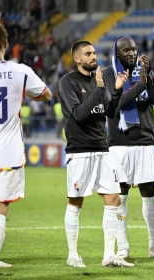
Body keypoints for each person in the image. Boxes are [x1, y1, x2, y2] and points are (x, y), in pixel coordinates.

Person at [58, 40, 133, 268]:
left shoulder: (97, 80)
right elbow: (78, 114)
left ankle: (109, 256)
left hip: (102, 148)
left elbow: (110, 112)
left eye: (94, 52)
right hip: (79, 151)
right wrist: (100, 90)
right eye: (88, 53)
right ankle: (73, 255)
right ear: (77, 58)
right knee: (76, 201)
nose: (93, 56)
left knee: (114, 198)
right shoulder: (68, 82)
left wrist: (117, 91)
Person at [102, 36, 154, 260]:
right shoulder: (109, 73)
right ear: (117, 54)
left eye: (133, 49)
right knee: (120, 197)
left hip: (145, 142)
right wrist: (140, 83)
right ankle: (123, 247)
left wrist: (147, 79)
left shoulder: (146, 70)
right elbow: (116, 102)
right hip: (119, 144)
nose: (131, 53)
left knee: (150, 195)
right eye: (125, 50)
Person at [0, 22, 52, 267]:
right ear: (6, 43)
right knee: (1, 204)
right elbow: (46, 94)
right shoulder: (20, 71)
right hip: (6, 152)